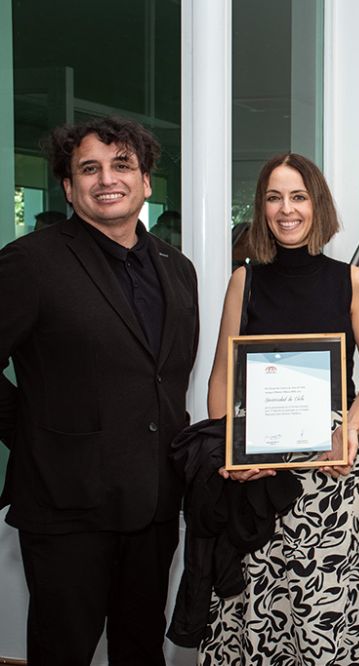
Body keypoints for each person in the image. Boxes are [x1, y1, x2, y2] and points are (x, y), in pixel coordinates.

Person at [0, 116, 199, 664]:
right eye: (89, 168)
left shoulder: (177, 269)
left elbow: (165, 377)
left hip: (154, 506)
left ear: (146, 182)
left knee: (140, 649)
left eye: (121, 165)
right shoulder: (31, 263)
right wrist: (33, 434)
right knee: (62, 652)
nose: (106, 179)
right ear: (68, 186)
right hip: (66, 507)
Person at [201, 153, 359, 664]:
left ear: (317, 205)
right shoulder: (246, 280)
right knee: (263, 607)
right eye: (274, 197)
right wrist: (232, 454)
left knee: (332, 606)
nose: (287, 209)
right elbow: (222, 378)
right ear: (262, 208)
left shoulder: (353, 280)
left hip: (335, 473)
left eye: (298, 196)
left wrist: (350, 429)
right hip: (259, 472)